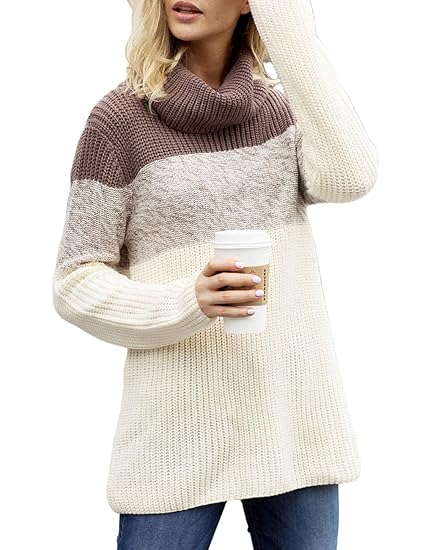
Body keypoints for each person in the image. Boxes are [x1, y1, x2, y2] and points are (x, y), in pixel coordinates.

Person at [52, 0, 378, 547]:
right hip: (176, 434)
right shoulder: (118, 122)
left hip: (293, 420)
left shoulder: (281, 110)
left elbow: (350, 178)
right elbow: (75, 281)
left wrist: (288, 27)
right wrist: (188, 302)